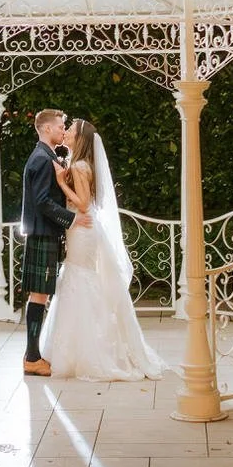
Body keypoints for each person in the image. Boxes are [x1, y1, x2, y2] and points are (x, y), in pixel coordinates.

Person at [39, 117, 166, 381]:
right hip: (80, 230)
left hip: (83, 230)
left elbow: (84, 205)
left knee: (80, 278)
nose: (68, 132)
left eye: (71, 130)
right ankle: (77, 346)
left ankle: (92, 348)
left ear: (81, 138)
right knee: (77, 278)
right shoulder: (77, 163)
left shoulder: (81, 166)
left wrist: (62, 184)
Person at [19, 109, 88, 376]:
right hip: (42, 232)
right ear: (46, 129)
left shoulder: (47, 156)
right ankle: (33, 358)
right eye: (60, 126)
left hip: (43, 232)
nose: (62, 130)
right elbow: (42, 202)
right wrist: (71, 219)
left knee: (40, 294)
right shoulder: (41, 159)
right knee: (39, 294)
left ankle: (32, 355)